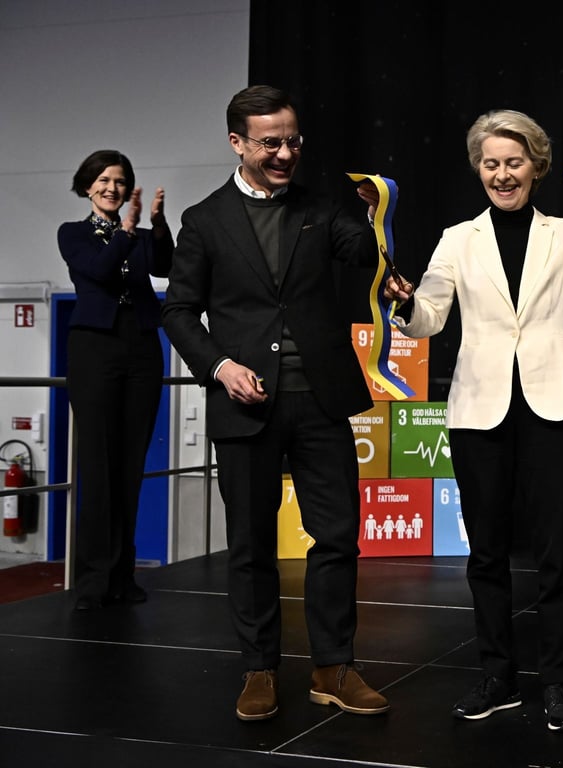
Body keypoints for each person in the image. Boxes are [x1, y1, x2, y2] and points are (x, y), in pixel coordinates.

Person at [386, 108, 563, 733]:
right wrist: (402, 303)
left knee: (558, 556)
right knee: (487, 555)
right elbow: (431, 317)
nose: (502, 174)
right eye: (490, 163)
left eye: (514, 161)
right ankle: (496, 676)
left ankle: (558, 682)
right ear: (479, 168)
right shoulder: (457, 238)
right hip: (482, 411)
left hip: (553, 406)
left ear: (536, 165)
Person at [160, 85, 389, 722]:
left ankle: (333, 667)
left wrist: (376, 217)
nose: (285, 152)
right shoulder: (204, 220)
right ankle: (259, 669)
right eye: (270, 142)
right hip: (245, 407)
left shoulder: (325, 206)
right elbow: (178, 312)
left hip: (321, 398)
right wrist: (219, 365)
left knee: (339, 537)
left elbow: (362, 255)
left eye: (292, 139)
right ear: (237, 143)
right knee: (252, 544)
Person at [58, 150, 174, 612]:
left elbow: (165, 265)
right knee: (99, 466)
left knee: (129, 467)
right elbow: (100, 271)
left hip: (142, 349)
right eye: (103, 180)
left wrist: (159, 224)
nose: (112, 187)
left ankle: (123, 577)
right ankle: (93, 581)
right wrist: (126, 234)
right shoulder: (73, 234)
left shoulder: (141, 235)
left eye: (120, 181)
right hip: (94, 350)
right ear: (87, 186)